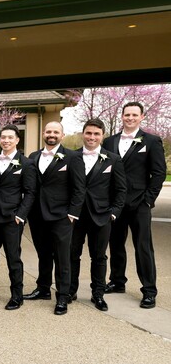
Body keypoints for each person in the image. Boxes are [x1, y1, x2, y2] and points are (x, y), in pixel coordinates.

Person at [102, 102, 166, 309]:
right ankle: (117, 281)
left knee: (143, 247)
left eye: (134, 115)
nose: (130, 118)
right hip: (115, 204)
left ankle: (149, 290)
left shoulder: (151, 141)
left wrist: (148, 199)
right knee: (115, 244)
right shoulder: (109, 141)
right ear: (122, 116)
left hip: (140, 203)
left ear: (141, 117)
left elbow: (159, 173)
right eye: (127, 114)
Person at [24, 121, 86, 315]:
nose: (52, 135)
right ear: (43, 133)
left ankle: (63, 296)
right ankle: (43, 288)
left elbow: (79, 188)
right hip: (37, 215)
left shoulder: (73, 157)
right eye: (49, 131)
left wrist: (72, 213)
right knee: (43, 253)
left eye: (55, 132)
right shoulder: (33, 157)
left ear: (62, 135)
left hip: (62, 216)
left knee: (62, 257)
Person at [70, 119, 126, 312]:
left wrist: (114, 213)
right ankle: (70, 291)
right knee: (72, 255)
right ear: (83, 134)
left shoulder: (113, 159)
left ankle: (98, 294)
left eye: (96, 134)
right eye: (88, 133)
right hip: (75, 216)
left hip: (102, 216)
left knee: (99, 257)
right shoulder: (72, 157)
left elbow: (121, 189)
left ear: (102, 136)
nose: (92, 137)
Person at [0, 125, 37, 310]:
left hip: (11, 219)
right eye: (3, 137)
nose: (5, 140)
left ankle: (17, 296)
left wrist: (20, 216)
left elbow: (30, 193)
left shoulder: (26, 163)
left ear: (17, 140)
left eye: (9, 137)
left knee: (13, 258)